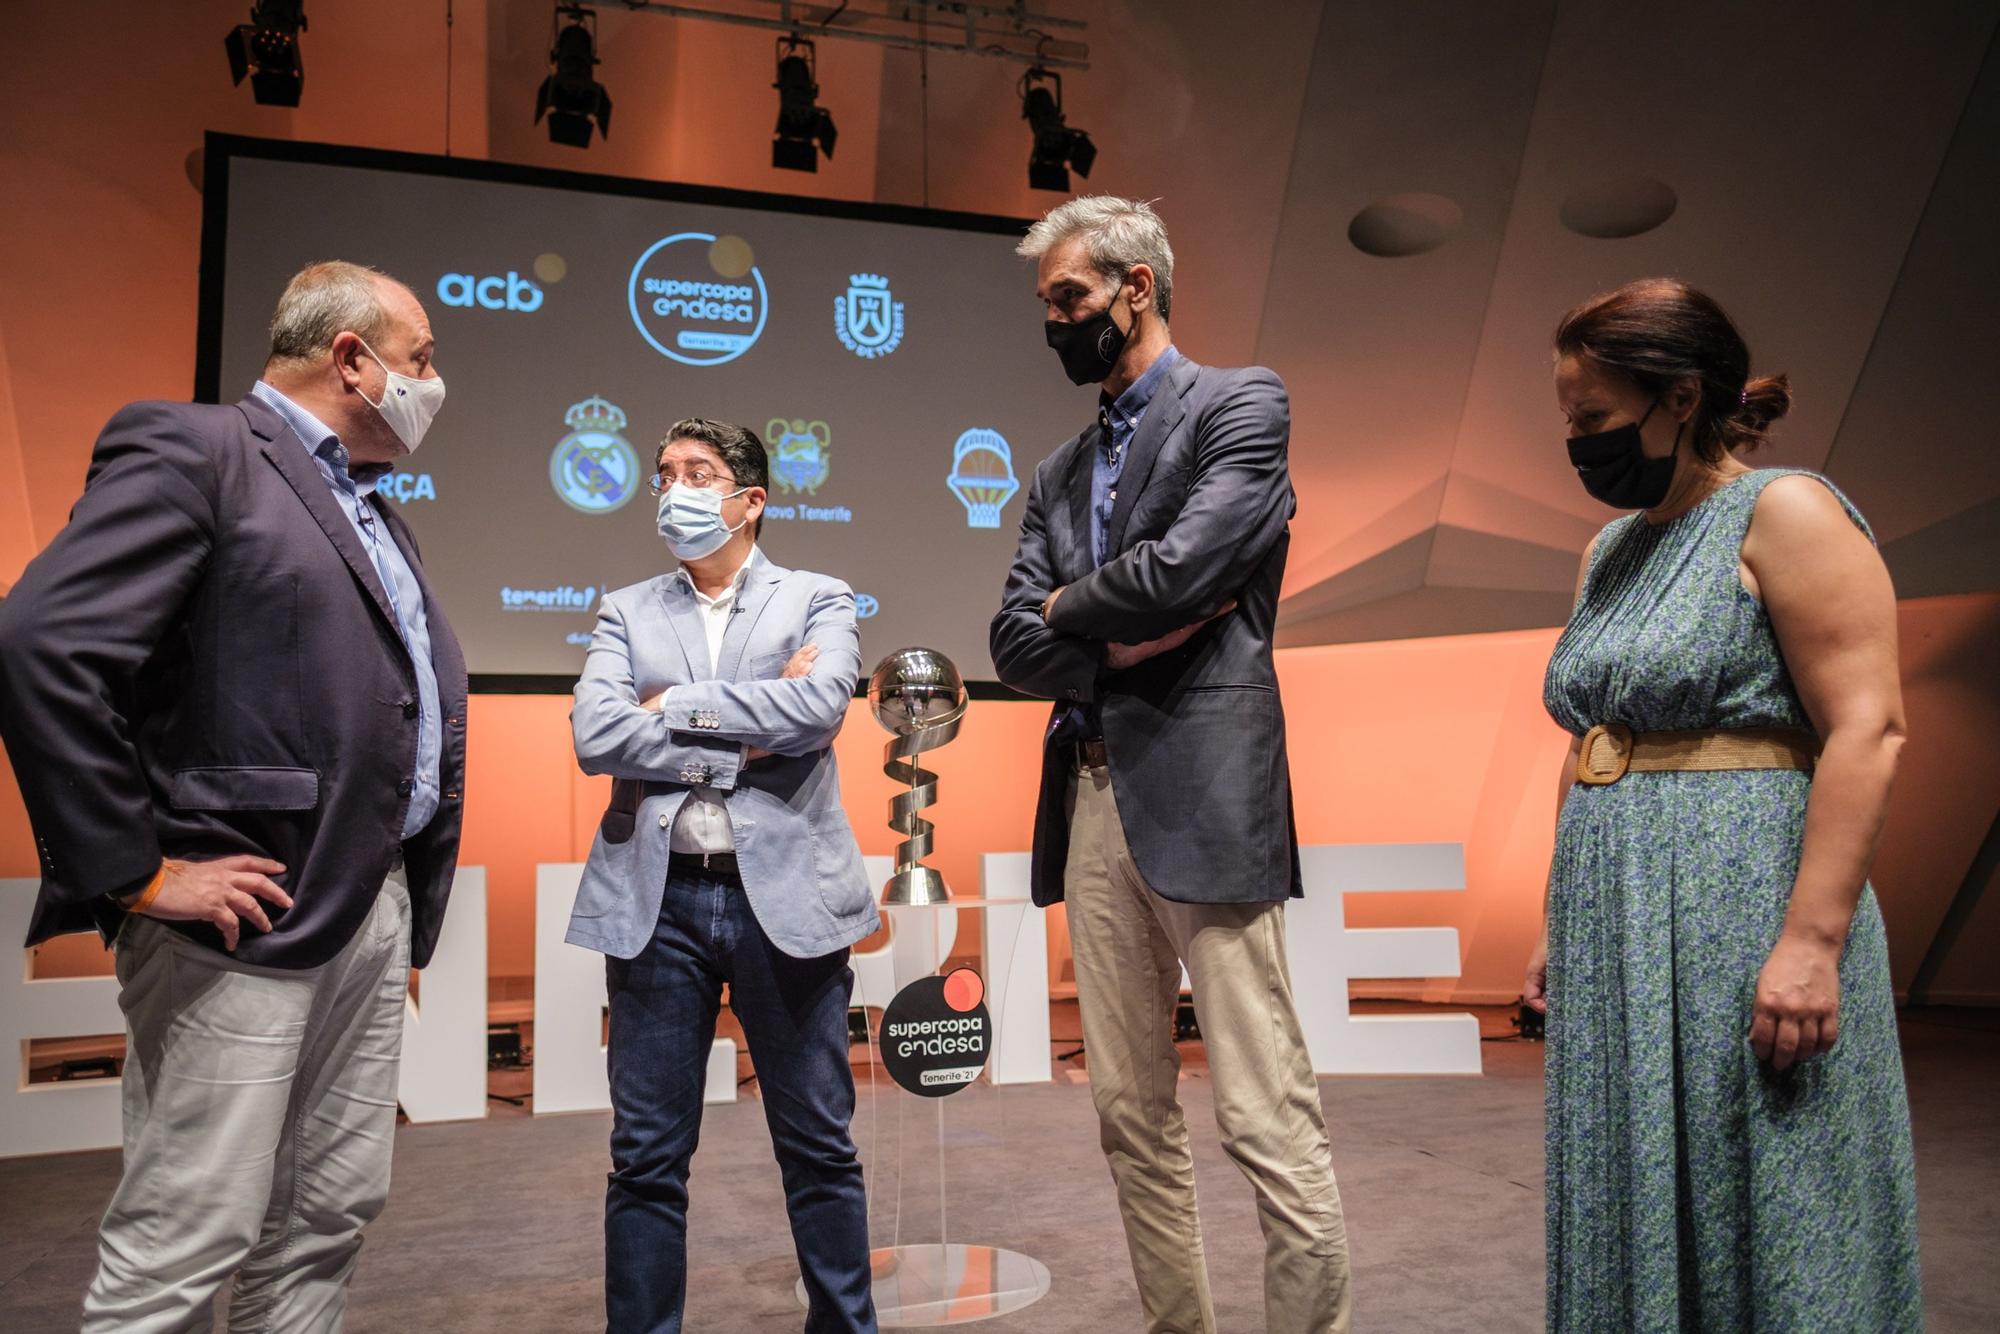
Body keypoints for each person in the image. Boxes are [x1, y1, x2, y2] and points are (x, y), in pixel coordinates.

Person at [0, 260, 467, 1330]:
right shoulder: (197, 450)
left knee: (328, 1210)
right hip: (241, 916)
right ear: (350, 357)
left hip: (362, 900)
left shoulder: (373, 511)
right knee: (193, 1222)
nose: (433, 384)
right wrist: (135, 870)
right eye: (421, 359)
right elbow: (41, 644)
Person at [1526, 277, 1922, 1330]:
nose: (1578, 442)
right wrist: (1548, 918)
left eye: (1593, 419)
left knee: (1768, 1174)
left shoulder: (1783, 508)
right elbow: (1593, 740)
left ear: (1679, 397)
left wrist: (1810, 938)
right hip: (1614, 908)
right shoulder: (1608, 551)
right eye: (1570, 419)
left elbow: (1865, 728)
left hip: (1736, 898)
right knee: (1632, 1172)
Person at [989, 196, 1351, 1333]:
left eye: (1068, 300)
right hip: (1091, 792)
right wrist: (1105, 633)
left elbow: (1186, 571)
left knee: (1262, 1112)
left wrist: (1079, 614)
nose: (1053, 324)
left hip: (1206, 790)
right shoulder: (1050, 473)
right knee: (1125, 1113)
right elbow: (1010, 639)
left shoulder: (1241, 402)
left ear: (1133, 288)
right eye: (1046, 304)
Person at [567, 418, 878, 1334]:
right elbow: (596, 737)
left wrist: (672, 708)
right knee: (646, 1157)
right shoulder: (627, 608)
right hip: (658, 905)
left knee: (818, 1145)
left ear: (752, 500)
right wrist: (745, 734)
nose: (674, 490)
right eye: (665, 474)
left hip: (785, 902)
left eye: (698, 473)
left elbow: (818, 709)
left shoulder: (819, 597)